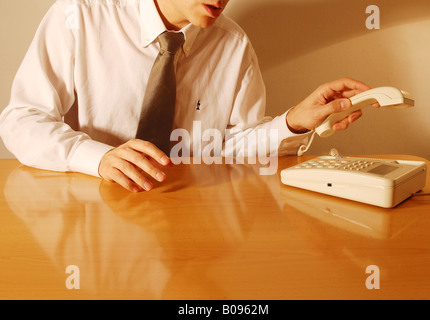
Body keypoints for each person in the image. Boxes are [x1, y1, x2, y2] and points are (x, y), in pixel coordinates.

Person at [0, 0, 369, 192]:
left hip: (189, 214)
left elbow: (230, 147)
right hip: (92, 209)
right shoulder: (78, 17)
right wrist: (97, 158)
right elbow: (21, 120)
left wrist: (292, 122)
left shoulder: (233, 44)